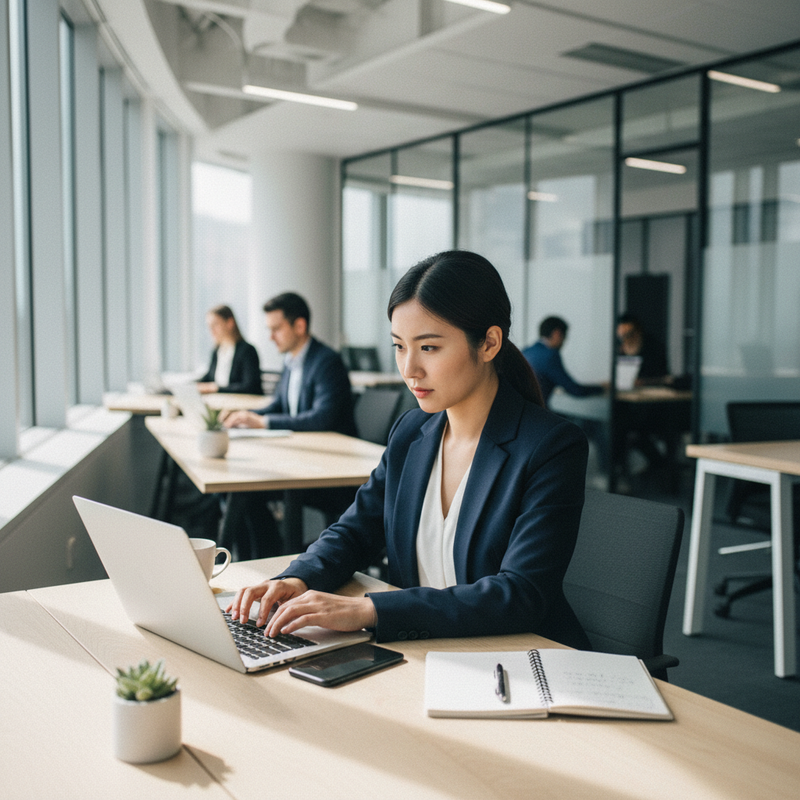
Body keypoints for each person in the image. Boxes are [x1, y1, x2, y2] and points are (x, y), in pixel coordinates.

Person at [227, 251, 591, 650]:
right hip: (423, 653)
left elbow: (520, 594)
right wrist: (298, 578)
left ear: (489, 343)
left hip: (517, 659)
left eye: (429, 348)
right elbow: (355, 530)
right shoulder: (411, 432)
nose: (409, 369)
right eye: (400, 346)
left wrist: (370, 610)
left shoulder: (550, 446)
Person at [220, 293, 357, 559]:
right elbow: (279, 404)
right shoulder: (292, 361)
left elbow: (322, 418)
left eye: (276, 329)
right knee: (235, 491)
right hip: (302, 462)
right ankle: (261, 557)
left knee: (244, 493)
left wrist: (264, 422)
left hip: (329, 471)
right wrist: (246, 416)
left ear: (300, 326)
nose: (271, 337)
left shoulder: (326, 361)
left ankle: (270, 559)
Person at [523, 316, 605, 406]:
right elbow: (575, 390)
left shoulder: (526, 351)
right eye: (564, 337)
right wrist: (602, 388)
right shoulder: (550, 355)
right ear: (557, 334)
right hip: (537, 411)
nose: (564, 343)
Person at [196, 305, 262, 396]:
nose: (212, 330)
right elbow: (210, 376)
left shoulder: (247, 351)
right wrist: (194, 386)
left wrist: (216, 388)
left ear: (230, 323)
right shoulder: (217, 350)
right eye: (209, 326)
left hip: (240, 401)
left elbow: (250, 387)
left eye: (215, 324)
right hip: (219, 400)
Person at [616, 313, 669, 385]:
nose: (626, 340)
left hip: (652, 388)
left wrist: (643, 382)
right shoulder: (618, 350)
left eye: (629, 335)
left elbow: (664, 378)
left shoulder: (654, 349)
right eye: (622, 336)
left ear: (638, 333)